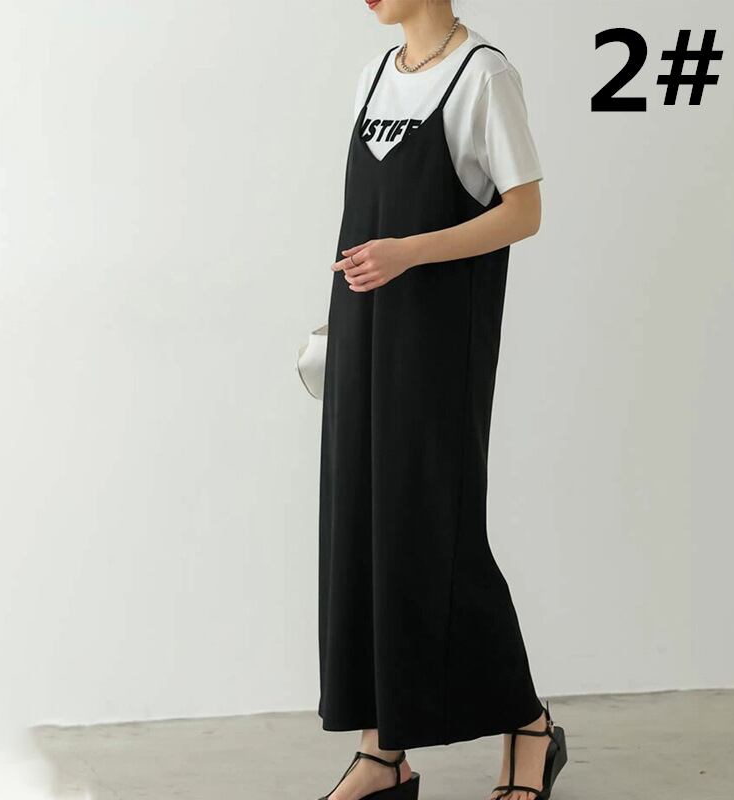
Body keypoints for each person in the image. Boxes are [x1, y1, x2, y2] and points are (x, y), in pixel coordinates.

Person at [317, 3, 567, 799]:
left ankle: (530, 727)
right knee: (362, 534)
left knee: (437, 539)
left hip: (436, 349)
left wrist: (409, 254)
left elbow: (524, 212)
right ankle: (381, 753)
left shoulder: (482, 74)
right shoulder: (375, 76)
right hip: (363, 337)